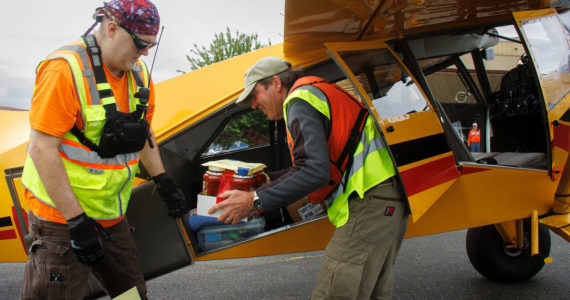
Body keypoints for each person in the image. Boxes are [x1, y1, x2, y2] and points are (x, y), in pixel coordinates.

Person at [20, 1, 189, 299]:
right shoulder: (64, 70)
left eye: (151, 45)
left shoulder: (138, 75)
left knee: (131, 296)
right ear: (111, 27)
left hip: (112, 216)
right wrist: (76, 221)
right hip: (61, 220)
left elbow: (143, 132)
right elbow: (41, 148)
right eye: (140, 43)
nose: (145, 53)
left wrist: (163, 179)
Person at [209, 57, 410, 299]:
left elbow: (315, 172)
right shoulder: (317, 90)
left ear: (275, 83)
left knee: (333, 292)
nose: (253, 105)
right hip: (387, 198)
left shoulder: (299, 99)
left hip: (369, 199)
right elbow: (312, 164)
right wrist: (267, 180)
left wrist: (254, 201)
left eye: (255, 94)